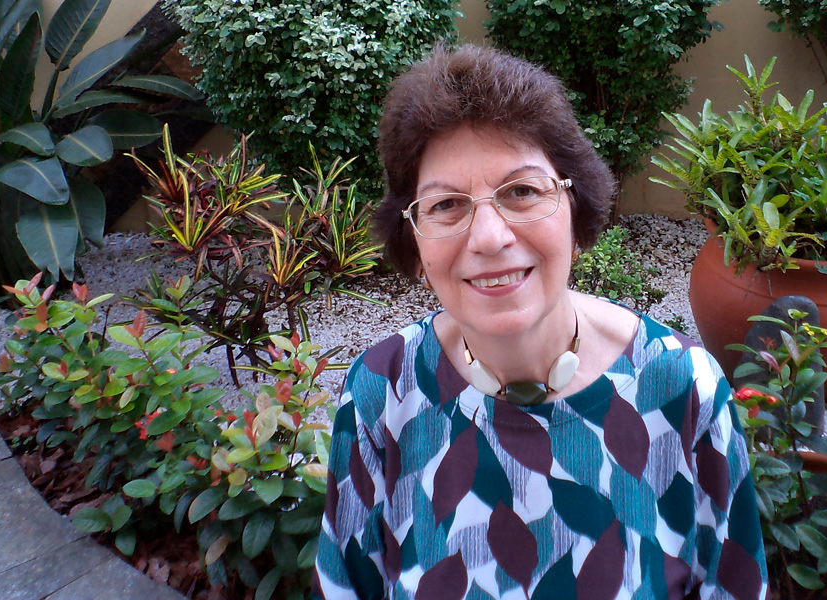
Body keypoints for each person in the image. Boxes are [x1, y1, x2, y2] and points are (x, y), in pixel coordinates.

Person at [314, 44, 768, 600]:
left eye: (523, 191)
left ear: (577, 210)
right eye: (446, 205)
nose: (490, 238)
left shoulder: (682, 388)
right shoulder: (382, 394)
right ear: (413, 241)